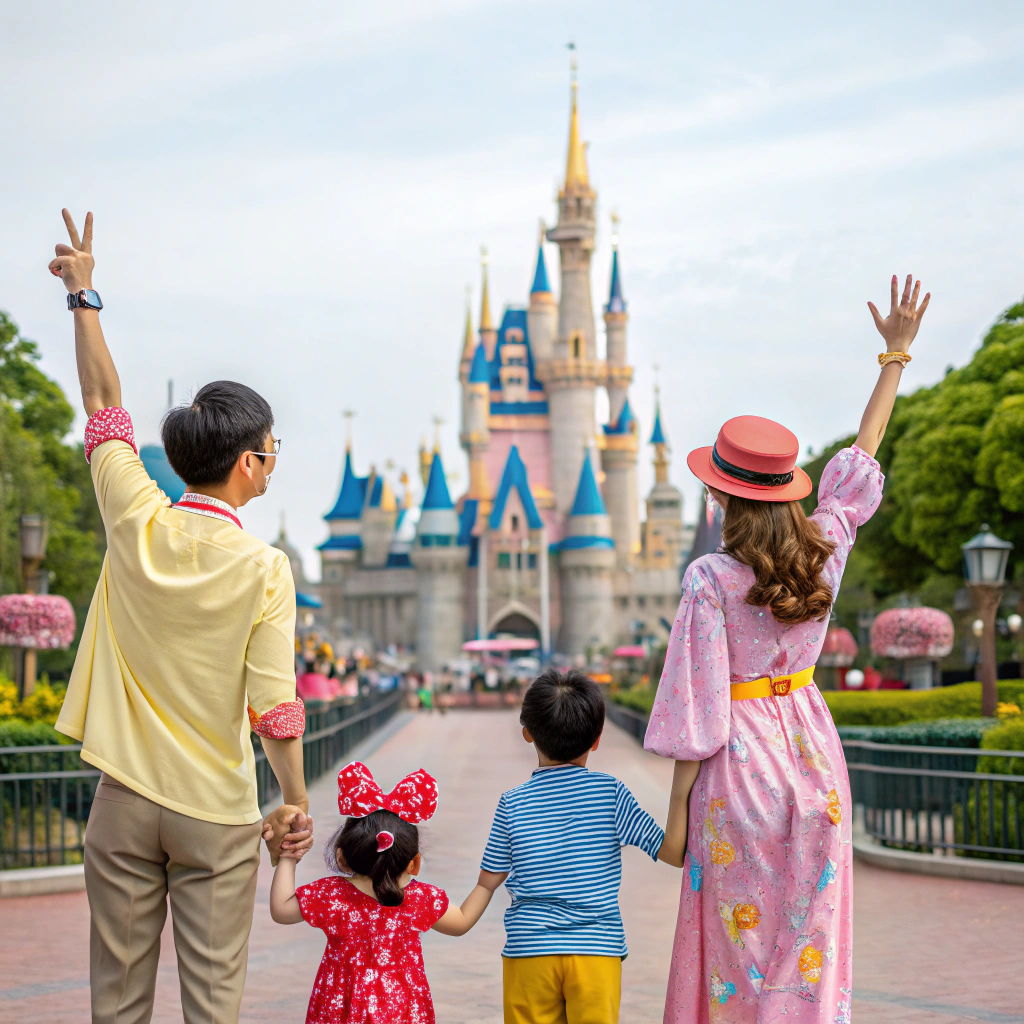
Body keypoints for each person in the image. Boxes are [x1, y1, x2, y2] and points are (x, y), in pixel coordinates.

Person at [48, 209, 314, 1024]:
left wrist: (84, 294)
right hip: (214, 813)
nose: (272, 462)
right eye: (272, 451)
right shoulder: (266, 569)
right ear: (247, 464)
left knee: (116, 1006)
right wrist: (294, 808)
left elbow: (100, 399)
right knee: (212, 1005)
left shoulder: (136, 515)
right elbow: (274, 711)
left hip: (122, 801)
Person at [644, 275, 930, 1023]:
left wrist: (675, 822)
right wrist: (894, 356)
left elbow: (695, 713)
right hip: (812, 757)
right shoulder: (825, 547)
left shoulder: (711, 578)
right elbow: (863, 457)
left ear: (723, 500)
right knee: (809, 944)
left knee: (737, 955)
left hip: (740, 772)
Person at [479, 668, 689, 1024]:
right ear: (596, 739)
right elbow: (672, 853)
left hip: (530, 950)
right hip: (596, 951)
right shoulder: (611, 794)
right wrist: (682, 785)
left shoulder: (511, 803)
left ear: (527, 733)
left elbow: (488, 881)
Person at [269, 761, 498, 1024]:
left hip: (339, 1009)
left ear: (342, 858)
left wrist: (288, 854)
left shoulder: (332, 896)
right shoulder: (419, 899)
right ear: (414, 863)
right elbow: (462, 922)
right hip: (402, 1010)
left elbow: (281, 909)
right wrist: (486, 885)